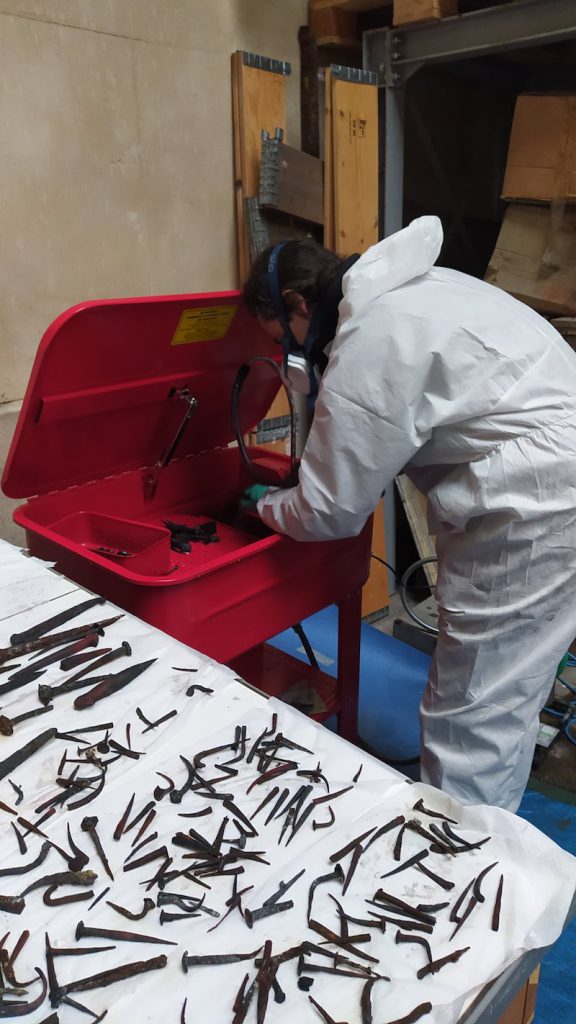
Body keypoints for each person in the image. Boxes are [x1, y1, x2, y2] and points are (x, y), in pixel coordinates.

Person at [242, 216, 576, 814]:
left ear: (297, 303)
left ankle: (454, 863)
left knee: (472, 708)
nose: (288, 354)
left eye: (281, 338)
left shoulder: (371, 334)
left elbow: (328, 511)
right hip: (555, 481)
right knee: (512, 687)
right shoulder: (422, 289)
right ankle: (488, 828)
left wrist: (265, 508)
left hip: (534, 506)